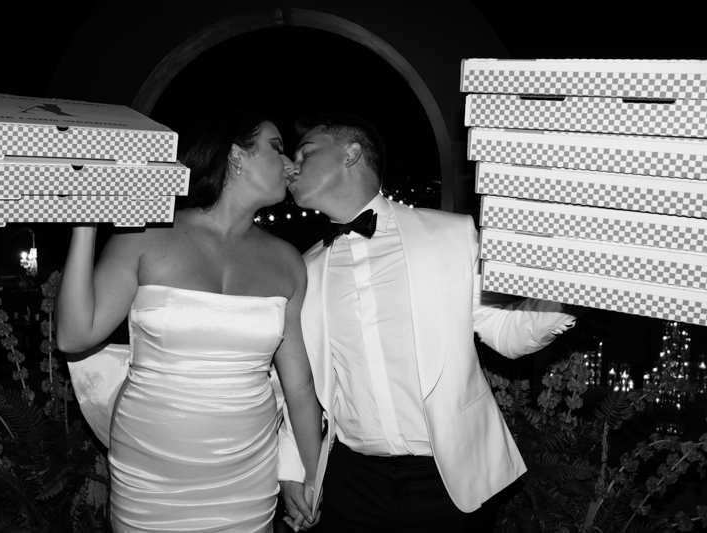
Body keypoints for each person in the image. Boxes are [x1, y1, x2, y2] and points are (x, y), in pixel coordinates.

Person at [277, 113, 583, 532]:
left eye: (305, 152)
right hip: (351, 480)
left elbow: (508, 334)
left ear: (351, 155)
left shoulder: (451, 236)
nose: (291, 166)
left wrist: (571, 281)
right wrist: (293, 467)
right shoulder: (305, 267)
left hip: (448, 477)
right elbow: (301, 381)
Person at [55, 110, 323, 533]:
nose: (292, 164)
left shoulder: (288, 261)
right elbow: (73, 336)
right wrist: (85, 223)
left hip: (247, 474)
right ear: (236, 155)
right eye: (277, 148)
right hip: (150, 474)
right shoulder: (143, 236)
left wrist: (311, 477)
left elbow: (300, 387)